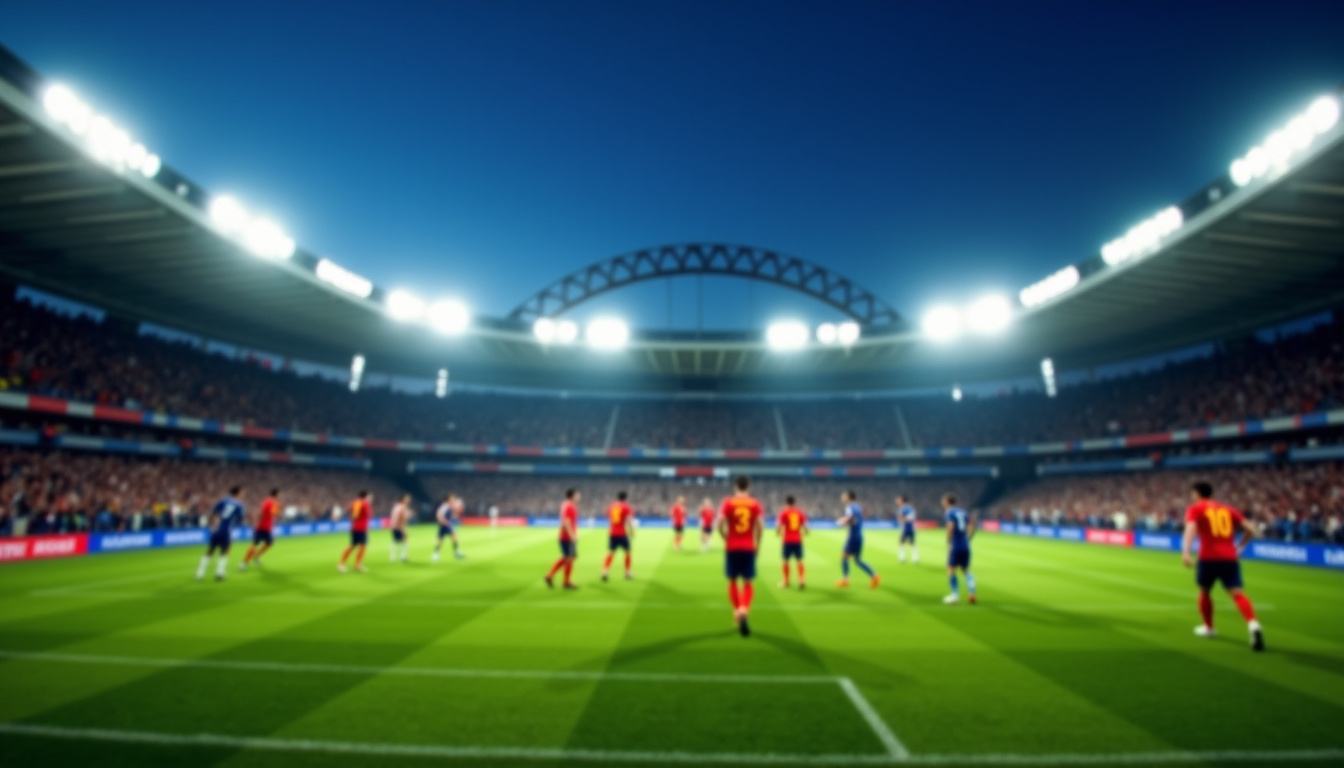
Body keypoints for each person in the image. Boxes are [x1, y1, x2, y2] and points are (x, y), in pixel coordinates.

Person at [1182, 481, 1264, 651]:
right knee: (1238, 594)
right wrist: (1241, 545)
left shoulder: (1195, 509)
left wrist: (1186, 552)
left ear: (1197, 493)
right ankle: (1253, 625)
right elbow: (1251, 529)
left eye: (1193, 494)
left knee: (1205, 591)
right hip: (1229, 557)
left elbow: (1190, 528)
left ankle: (1209, 628)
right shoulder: (1228, 509)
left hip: (1208, 557)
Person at [719, 475, 764, 637]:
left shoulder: (728, 502)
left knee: (732, 581)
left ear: (735, 486)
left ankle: (737, 611)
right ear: (749, 486)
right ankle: (744, 609)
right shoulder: (754, 503)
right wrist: (757, 545)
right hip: (748, 546)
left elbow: (719, 523)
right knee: (747, 582)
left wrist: (725, 537)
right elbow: (760, 526)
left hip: (732, 546)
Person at [197, 486, 245, 581]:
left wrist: (212, 525)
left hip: (216, 529)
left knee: (210, 550)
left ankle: (200, 573)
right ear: (238, 493)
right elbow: (241, 518)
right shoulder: (239, 505)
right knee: (225, 550)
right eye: (242, 493)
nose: (243, 495)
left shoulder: (223, 501)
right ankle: (220, 572)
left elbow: (213, 512)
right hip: (226, 530)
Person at [836, 491, 880, 589]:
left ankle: (845, 580)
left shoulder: (850, 507)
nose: (842, 498)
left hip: (853, 536)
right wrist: (846, 522)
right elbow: (854, 520)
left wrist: (842, 521)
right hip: (858, 535)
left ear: (849, 497)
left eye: (844, 496)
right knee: (857, 560)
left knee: (844, 557)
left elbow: (850, 517)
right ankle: (874, 576)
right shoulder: (857, 507)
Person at [942, 494, 976, 604]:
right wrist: (968, 538)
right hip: (965, 545)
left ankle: (955, 595)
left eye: (943, 501)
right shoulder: (963, 512)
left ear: (947, 502)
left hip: (956, 545)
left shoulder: (949, 512)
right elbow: (972, 525)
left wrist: (948, 540)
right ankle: (972, 593)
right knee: (966, 570)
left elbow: (950, 526)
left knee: (951, 568)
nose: (942, 503)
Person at [545, 488, 581, 589]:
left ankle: (550, 576)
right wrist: (572, 536)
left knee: (568, 557)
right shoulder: (569, 506)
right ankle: (565, 581)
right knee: (570, 557)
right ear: (573, 495)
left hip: (564, 535)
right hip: (567, 537)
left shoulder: (566, 505)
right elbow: (567, 521)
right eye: (578, 495)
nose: (579, 497)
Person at [240, 487, 279, 571]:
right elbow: (275, 514)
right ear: (277, 494)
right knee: (266, 544)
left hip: (260, 526)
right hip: (266, 527)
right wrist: (277, 511)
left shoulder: (265, 501)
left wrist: (257, 521)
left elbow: (260, 513)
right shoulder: (274, 503)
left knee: (259, 544)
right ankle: (250, 559)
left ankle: (245, 563)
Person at [601, 491, 635, 581]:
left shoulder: (611, 506)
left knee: (610, 552)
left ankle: (604, 571)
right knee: (627, 552)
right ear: (625, 498)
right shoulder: (626, 507)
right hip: (621, 533)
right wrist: (631, 531)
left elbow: (608, 517)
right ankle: (627, 572)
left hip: (612, 532)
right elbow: (629, 520)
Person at [776, 495, 808, 589]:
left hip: (787, 540)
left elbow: (779, 526)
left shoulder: (784, 512)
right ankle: (801, 580)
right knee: (799, 560)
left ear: (786, 502)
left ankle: (786, 582)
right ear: (794, 502)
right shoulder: (799, 512)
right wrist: (805, 532)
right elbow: (805, 526)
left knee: (785, 560)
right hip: (797, 539)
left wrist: (778, 532)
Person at [339, 490, 372, 573]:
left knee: (361, 545)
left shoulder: (356, 502)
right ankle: (343, 564)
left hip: (358, 528)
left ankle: (356, 565)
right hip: (359, 528)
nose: (371, 498)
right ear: (366, 496)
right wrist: (356, 519)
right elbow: (355, 515)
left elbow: (352, 514)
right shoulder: (363, 503)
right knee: (355, 545)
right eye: (370, 497)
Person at [432, 493, 465, 562]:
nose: (453, 500)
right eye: (452, 499)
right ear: (448, 500)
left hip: (446, 524)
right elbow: (439, 515)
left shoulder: (448, 506)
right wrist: (445, 522)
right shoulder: (444, 507)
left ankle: (436, 554)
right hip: (445, 525)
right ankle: (437, 554)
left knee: (447, 538)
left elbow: (452, 514)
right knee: (443, 539)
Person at [896, 494, 919, 564]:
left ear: (902, 500)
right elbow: (913, 517)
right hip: (911, 526)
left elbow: (904, 518)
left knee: (901, 541)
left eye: (899, 500)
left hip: (906, 526)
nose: (897, 501)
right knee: (912, 542)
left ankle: (902, 557)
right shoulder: (910, 508)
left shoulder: (904, 508)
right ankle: (915, 558)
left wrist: (903, 520)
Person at [389, 494, 411, 562]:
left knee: (395, 541)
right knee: (405, 540)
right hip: (399, 527)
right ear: (403, 500)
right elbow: (403, 518)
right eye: (407, 499)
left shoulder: (396, 507)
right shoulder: (403, 507)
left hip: (393, 526)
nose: (408, 500)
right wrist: (404, 528)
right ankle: (403, 556)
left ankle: (392, 557)